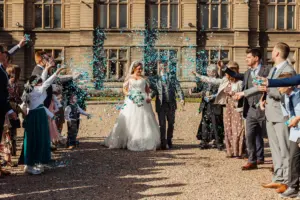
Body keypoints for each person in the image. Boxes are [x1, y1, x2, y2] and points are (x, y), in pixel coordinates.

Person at [237, 43, 296, 190]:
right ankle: (278, 177)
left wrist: (268, 90)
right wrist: (243, 93)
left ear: (277, 53)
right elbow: (262, 87)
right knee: (275, 149)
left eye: (273, 50)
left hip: (281, 115)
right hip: (270, 114)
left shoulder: (288, 70)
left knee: (285, 149)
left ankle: (287, 182)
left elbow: (284, 92)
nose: (271, 52)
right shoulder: (274, 69)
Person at [220, 48, 270, 170]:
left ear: (256, 58)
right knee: (250, 135)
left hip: (265, 107)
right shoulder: (248, 73)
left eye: (248, 57)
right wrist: (225, 68)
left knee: (267, 135)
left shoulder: (267, 70)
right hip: (251, 109)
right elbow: (236, 75)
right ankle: (252, 161)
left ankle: (268, 160)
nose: (246, 59)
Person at [104, 61, 160, 151]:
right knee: (130, 119)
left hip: (143, 101)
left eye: (141, 68)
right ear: (134, 68)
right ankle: (126, 140)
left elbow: (147, 90)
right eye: (138, 69)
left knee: (144, 120)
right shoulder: (129, 78)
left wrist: (149, 97)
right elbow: (124, 90)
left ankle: (144, 140)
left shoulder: (144, 78)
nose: (140, 70)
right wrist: (130, 95)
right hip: (131, 101)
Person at [192, 61, 245, 157]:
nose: (225, 73)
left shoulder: (240, 82)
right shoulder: (225, 80)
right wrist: (199, 76)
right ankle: (230, 151)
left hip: (236, 107)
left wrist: (236, 95)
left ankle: (239, 150)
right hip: (228, 107)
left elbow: (244, 94)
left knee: (237, 128)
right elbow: (212, 80)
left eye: (227, 70)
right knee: (228, 128)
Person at [21, 64, 66, 175]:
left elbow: (43, 80)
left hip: (36, 116)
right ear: (36, 83)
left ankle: (33, 162)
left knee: (35, 139)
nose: (41, 82)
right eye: (39, 82)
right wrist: (57, 72)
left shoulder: (32, 90)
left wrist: (46, 69)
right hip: (37, 117)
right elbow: (46, 82)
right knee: (36, 140)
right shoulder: (36, 91)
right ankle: (30, 164)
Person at [269, 73, 300, 198]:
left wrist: (297, 118)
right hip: (295, 132)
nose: (278, 88)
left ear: (288, 84)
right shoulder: (284, 98)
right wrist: (289, 122)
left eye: (280, 85)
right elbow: (287, 115)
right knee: (294, 158)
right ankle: (293, 187)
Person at [0, 38, 26, 176]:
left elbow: (7, 54)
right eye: (3, 55)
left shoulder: (2, 66)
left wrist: (18, 46)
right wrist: (9, 109)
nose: (6, 58)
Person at [149, 63, 185, 150]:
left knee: (171, 124)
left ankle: (169, 140)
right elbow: (154, 91)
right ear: (159, 67)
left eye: (164, 66)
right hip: (161, 104)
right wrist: (149, 97)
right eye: (161, 66)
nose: (163, 68)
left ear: (167, 67)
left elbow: (178, 88)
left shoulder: (172, 77)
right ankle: (163, 143)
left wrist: (181, 98)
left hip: (171, 104)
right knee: (162, 124)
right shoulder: (155, 79)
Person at [191, 64, 224, 150]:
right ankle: (204, 141)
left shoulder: (220, 81)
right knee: (205, 122)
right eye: (207, 71)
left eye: (209, 71)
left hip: (215, 104)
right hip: (205, 105)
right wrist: (192, 90)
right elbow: (200, 88)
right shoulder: (205, 80)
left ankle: (218, 142)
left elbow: (222, 93)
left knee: (216, 123)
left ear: (214, 72)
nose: (207, 73)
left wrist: (213, 96)